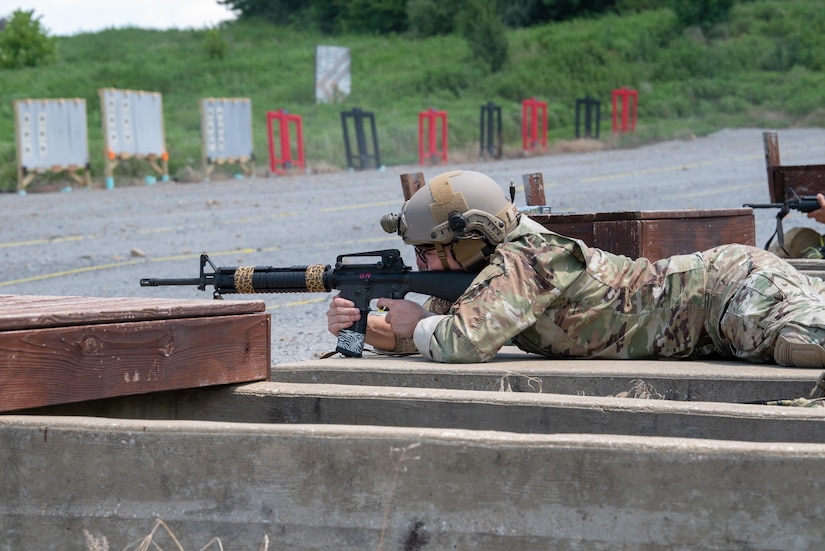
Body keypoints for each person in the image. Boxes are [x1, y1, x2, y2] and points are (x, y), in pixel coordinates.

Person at [327, 169, 825, 367]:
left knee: (804, 344)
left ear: (473, 238)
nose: (423, 264)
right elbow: (435, 328)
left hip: (727, 290)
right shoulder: (486, 276)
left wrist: (415, 325)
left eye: (429, 252)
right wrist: (368, 327)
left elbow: (463, 342)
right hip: (708, 321)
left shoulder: (529, 258)